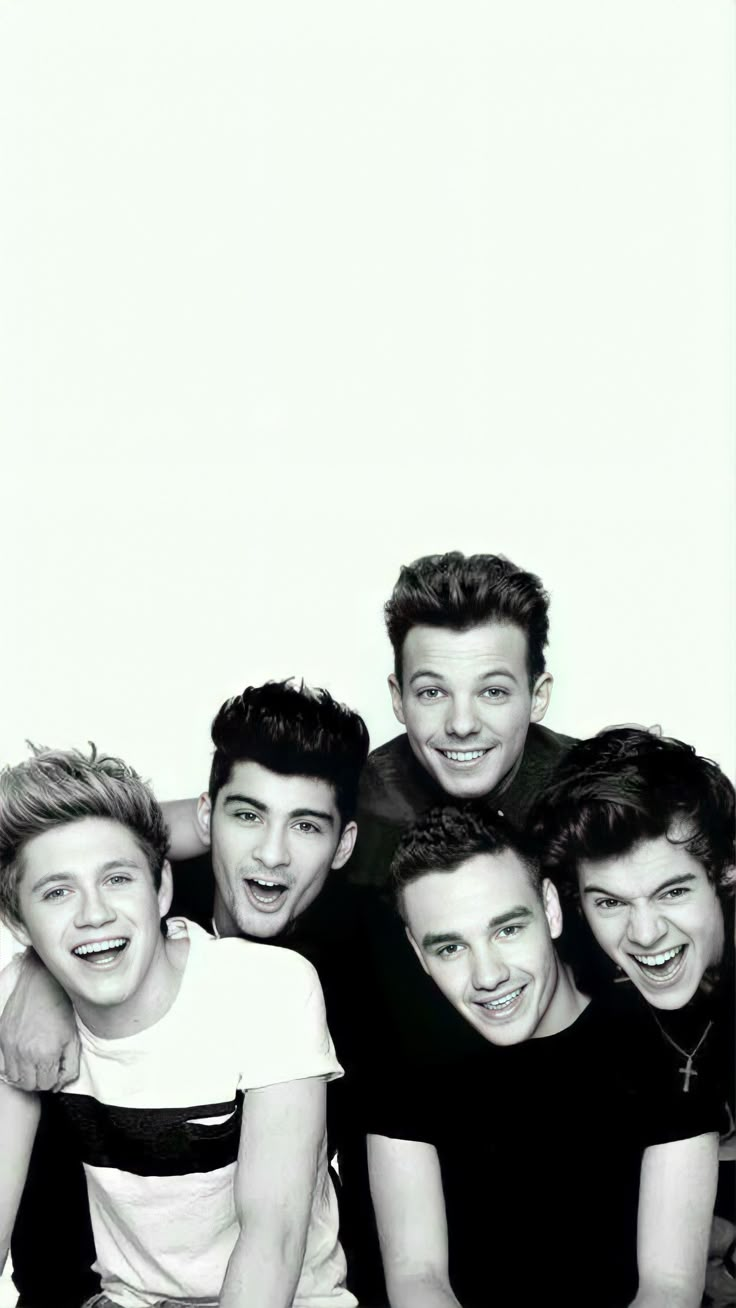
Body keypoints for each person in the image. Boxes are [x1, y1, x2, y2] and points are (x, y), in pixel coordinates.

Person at [1, 683, 383, 1307]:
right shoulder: (78, 953)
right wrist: (39, 969)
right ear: (206, 820)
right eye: (247, 815)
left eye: (305, 826)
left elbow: (278, 1238)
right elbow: (84, 854)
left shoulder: (330, 971)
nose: (271, 853)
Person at [365, 805, 720, 1308]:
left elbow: (668, 1290)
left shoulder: (664, 1049)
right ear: (418, 954)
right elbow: (418, 1280)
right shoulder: (408, 1071)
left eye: (507, 930)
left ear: (550, 910)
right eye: (449, 949)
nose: (487, 975)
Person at [527, 727, 735, 1231]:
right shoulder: (579, 980)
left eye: (672, 893)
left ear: (726, 871)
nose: (644, 934)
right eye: (611, 902)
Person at [347, 550, 577, 888]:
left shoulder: (588, 793)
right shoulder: (357, 806)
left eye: (493, 692)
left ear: (538, 697)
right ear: (398, 700)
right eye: (432, 693)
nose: (462, 724)